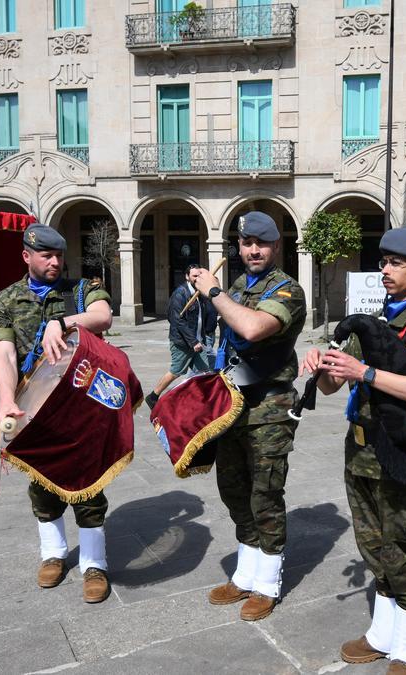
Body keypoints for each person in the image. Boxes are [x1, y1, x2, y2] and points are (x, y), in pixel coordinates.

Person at [300, 227, 406, 674]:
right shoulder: (372, 322)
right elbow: (330, 387)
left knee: (400, 547)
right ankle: (383, 633)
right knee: (372, 545)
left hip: (403, 449)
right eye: (383, 261)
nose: (385, 269)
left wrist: (365, 372)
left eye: (397, 263)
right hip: (359, 449)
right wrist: (323, 364)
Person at [0, 223, 115, 604]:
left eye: (59, 255)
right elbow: (4, 354)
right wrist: (6, 399)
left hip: (81, 404)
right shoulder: (6, 300)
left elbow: (103, 315)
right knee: (41, 483)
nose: (56, 262)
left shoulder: (80, 289)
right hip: (36, 405)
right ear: (27, 256)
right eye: (47, 256)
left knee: (89, 483)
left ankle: (95, 563)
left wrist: (62, 321)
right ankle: (54, 555)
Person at [191, 211, 306, 622]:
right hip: (232, 405)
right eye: (246, 243)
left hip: (269, 408)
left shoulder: (288, 289)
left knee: (265, 495)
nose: (253, 250)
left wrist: (215, 292)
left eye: (262, 243)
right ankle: (246, 573)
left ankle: (269, 583)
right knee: (234, 490)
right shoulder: (240, 284)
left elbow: (255, 328)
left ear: (276, 247)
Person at [145, 264, 217, 409]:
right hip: (183, 343)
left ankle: (202, 401)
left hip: (198, 341)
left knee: (204, 371)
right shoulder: (180, 294)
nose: (197, 279)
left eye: (199, 276)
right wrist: (192, 341)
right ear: (187, 276)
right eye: (194, 276)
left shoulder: (199, 293)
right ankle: (153, 396)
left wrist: (201, 338)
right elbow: (176, 320)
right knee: (176, 371)